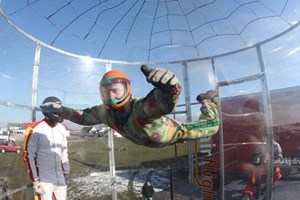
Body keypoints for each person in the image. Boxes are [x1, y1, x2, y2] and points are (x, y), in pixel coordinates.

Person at [40, 65, 220, 148]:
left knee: (212, 126)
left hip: (176, 133)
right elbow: (82, 116)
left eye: (116, 90)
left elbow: (160, 104)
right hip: (151, 141)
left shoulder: (140, 108)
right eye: (106, 92)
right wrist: (61, 111)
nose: (111, 96)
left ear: (128, 89)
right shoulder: (104, 113)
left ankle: (207, 100)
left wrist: (169, 89)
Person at [23, 96, 70, 200]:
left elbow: (64, 152)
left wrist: (66, 172)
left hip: (60, 177)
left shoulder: (62, 128)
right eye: (56, 111)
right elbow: (28, 156)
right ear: (49, 111)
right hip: (44, 178)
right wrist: (35, 180)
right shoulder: (35, 128)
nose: (59, 114)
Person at [241, 135, 282, 200]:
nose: (263, 139)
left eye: (264, 138)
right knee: (254, 175)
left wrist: (270, 163)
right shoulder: (261, 145)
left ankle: (270, 186)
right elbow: (254, 157)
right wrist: (258, 162)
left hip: (272, 166)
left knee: (277, 174)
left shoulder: (276, 145)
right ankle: (247, 193)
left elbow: (279, 158)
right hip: (261, 165)